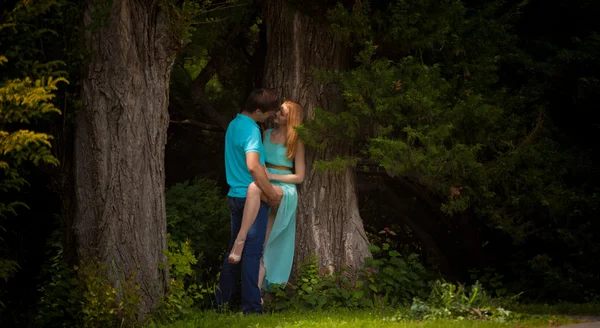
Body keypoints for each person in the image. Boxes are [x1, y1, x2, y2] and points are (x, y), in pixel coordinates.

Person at [215, 88, 282, 315]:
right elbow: (253, 166)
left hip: (235, 196)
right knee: (252, 253)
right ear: (257, 110)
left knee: (235, 250)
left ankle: (221, 303)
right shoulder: (252, 130)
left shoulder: (234, 125)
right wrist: (271, 194)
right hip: (250, 198)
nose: (269, 118)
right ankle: (252, 308)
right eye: (267, 114)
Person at [227, 100, 305, 292]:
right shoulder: (266, 134)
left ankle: (240, 239)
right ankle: (258, 291)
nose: (276, 113)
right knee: (262, 243)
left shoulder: (296, 140)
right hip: (265, 184)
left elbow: (300, 176)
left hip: (284, 189)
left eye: (282, 112)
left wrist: (272, 176)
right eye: (278, 110)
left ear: (291, 118)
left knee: (254, 188)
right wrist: (265, 177)